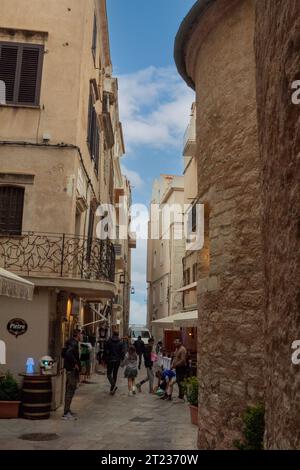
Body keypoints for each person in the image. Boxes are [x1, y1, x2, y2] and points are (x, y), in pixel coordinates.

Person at [62, 329, 82, 420]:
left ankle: (68, 410)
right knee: (70, 390)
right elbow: (68, 353)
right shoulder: (73, 343)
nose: (81, 336)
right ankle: (66, 413)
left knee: (71, 389)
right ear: (77, 335)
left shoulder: (70, 342)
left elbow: (64, 354)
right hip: (72, 370)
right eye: (80, 334)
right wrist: (75, 364)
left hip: (70, 369)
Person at [103, 331, 125, 395]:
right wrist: (121, 358)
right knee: (115, 374)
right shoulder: (120, 342)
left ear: (113, 334)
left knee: (109, 374)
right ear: (118, 335)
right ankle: (112, 389)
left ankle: (113, 387)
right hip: (117, 360)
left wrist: (104, 359)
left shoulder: (109, 341)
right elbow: (122, 352)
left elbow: (106, 351)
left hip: (110, 360)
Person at [172, 338, 187, 403]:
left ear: (180, 342)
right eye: (175, 341)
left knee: (180, 382)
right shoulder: (177, 349)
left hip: (181, 367)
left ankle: (181, 398)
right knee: (178, 381)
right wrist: (173, 364)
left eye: (176, 341)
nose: (175, 342)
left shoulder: (182, 349)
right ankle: (180, 396)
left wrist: (176, 365)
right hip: (177, 367)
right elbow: (175, 357)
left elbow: (183, 360)